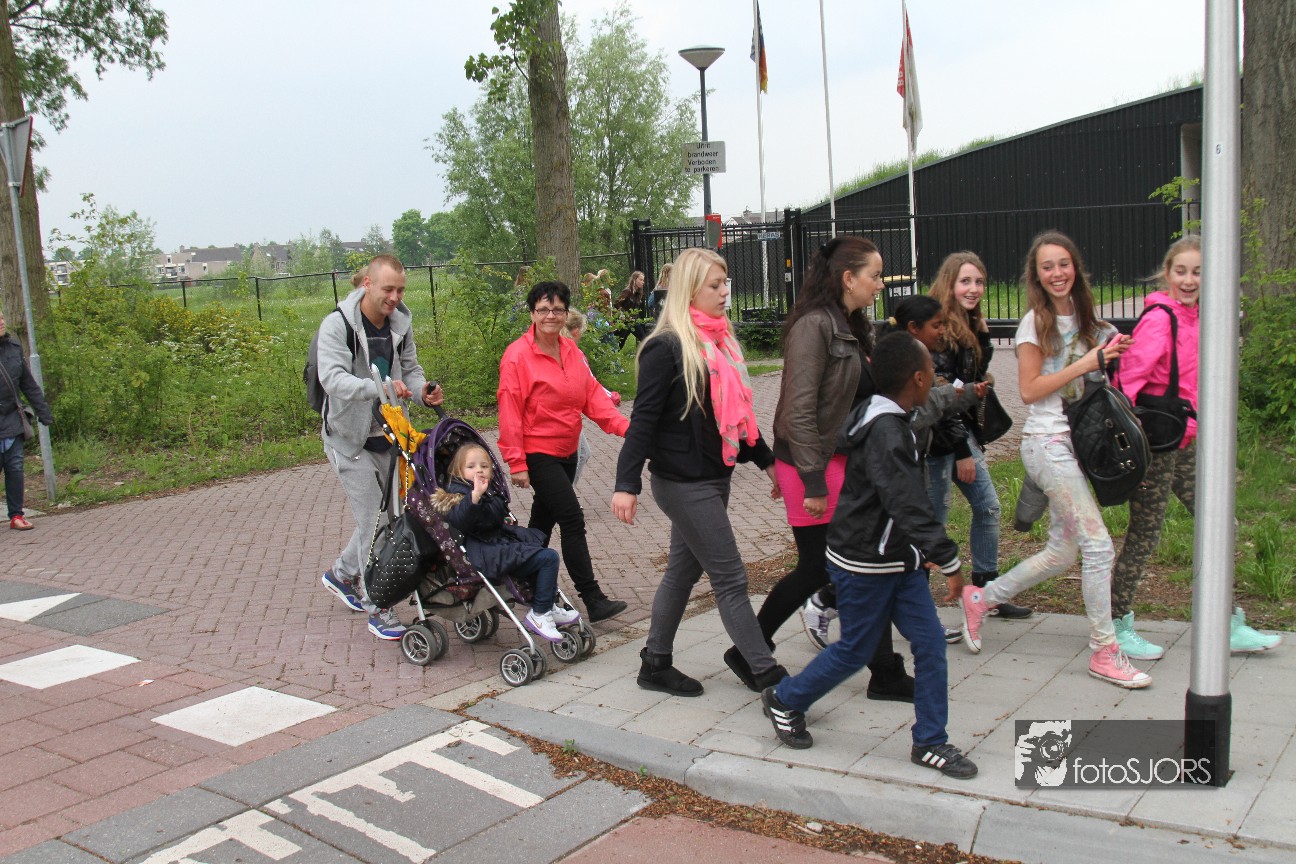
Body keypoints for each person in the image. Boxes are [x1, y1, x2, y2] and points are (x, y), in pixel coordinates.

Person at [760, 333, 978, 780]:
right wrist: (950, 562)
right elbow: (906, 503)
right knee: (856, 649)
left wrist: (920, 552)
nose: (935, 376)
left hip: (899, 560)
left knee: (930, 644)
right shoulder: (885, 430)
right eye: (931, 370)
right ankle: (786, 699)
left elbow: (901, 506)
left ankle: (930, 741)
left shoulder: (891, 417)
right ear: (918, 379)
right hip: (866, 563)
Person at [959, 231, 1150, 688]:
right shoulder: (1033, 325)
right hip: (1047, 443)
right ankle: (1104, 650)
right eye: (1047, 267)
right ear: (1037, 275)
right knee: (1098, 546)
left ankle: (981, 598)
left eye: (1063, 264)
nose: (1057, 273)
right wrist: (1088, 362)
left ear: (1075, 268)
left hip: (1081, 445)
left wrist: (1111, 352)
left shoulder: (1089, 321)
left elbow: (1097, 376)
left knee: (1062, 553)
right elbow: (1029, 390)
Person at [738, 236, 913, 700]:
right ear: (848, 278)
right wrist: (813, 479)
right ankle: (753, 650)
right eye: (875, 275)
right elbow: (797, 410)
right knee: (829, 567)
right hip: (812, 465)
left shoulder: (849, 323)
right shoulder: (814, 326)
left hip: (840, 461)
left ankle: (883, 672)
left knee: (845, 567)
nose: (880, 284)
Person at [613, 247, 787, 697]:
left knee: (682, 572)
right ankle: (768, 675)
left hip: (715, 476)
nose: (725, 292)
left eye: (725, 283)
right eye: (715, 285)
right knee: (730, 578)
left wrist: (768, 462)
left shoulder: (721, 343)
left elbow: (738, 421)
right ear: (691, 289)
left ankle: (655, 663)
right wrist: (626, 484)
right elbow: (643, 422)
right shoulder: (666, 347)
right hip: (682, 483)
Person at [1110, 236, 1280, 657]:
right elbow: (1126, 382)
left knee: (1221, 524)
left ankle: (1225, 623)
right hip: (1156, 445)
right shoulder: (1160, 319)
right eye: (1181, 271)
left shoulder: (1199, 317)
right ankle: (1115, 625)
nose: (1189, 280)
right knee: (1145, 536)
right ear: (1167, 273)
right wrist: (1128, 439)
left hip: (1184, 440)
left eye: (1198, 272)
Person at [317, 254, 445, 640]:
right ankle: (378, 606)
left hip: (390, 434)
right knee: (376, 521)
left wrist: (421, 391)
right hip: (349, 439)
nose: (395, 297)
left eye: (401, 290)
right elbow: (332, 379)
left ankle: (342, 574)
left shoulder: (400, 322)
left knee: (390, 517)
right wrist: (379, 387)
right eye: (388, 289)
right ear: (368, 284)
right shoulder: (338, 324)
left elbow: (411, 370)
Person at [498, 281, 629, 623]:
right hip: (538, 452)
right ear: (532, 314)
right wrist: (516, 461)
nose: (551, 315)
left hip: (568, 451)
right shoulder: (517, 356)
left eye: (557, 309)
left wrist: (626, 428)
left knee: (541, 524)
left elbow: (593, 397)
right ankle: (593, 598)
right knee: (571, 518)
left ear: (566, 313)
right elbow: (509, 411)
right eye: (543, 309)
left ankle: (522, 581)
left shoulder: (572, 352)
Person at [928, 252, 1032, 619]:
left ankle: (987, 591)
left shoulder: (967, 324)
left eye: (979, 282)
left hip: (960, 433)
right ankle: (914, 603)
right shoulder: (938, 329)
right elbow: (941, 398)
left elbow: (974, 376)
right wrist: (961, 450)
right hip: (936, 442)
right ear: (949, 284)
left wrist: (983, 336)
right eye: (966, 282)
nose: (974, 289)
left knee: (988, 507)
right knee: (932, 523)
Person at [435, 443, 581, 642]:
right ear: (458, 471)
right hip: (483, 552)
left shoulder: (490, 491)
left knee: (538, 551)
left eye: (484, 466)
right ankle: (540, 613)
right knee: (548, 558)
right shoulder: (458, 495)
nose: (479, 470)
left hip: (497, 544)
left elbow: (497, 515)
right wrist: (475, 497)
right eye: (471, 466)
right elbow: (461, 522)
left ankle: (547, 604)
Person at [0, 312, 53, 530]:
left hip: (13, 419)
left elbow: (27, 383)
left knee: (15, 468)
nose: (1, 322)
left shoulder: (13, 347)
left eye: (1, 317)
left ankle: (16, 515)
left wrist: (43, 411)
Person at [562, 309, 621, 486]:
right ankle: (564, 495)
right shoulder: (575, 354)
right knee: (580, 454)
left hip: (561, 413)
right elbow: (590, 382)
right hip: (567, 415)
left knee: (580, 454)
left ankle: (561, 494)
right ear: (576, 332)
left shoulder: (552, 349)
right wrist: (611, 397)